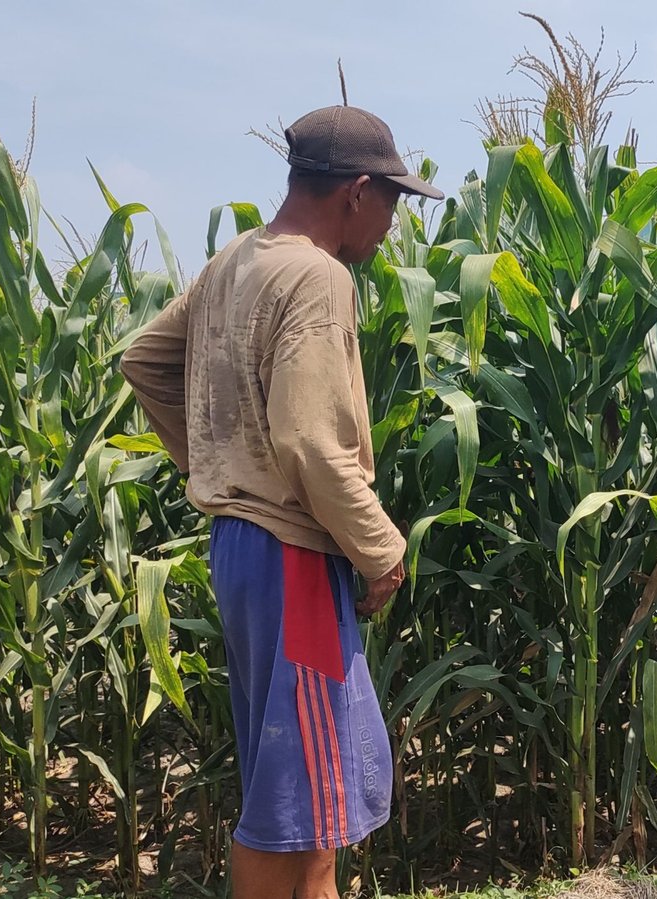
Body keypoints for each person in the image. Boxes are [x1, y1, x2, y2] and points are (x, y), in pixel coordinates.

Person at [121, 104, 442, 899]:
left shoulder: (236, 258)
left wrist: (217, 461)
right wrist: (381, 548)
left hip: (245, 547)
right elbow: (307, 440)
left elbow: (145, 360)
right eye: (392, 203)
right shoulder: (318, 275)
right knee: (289, 800)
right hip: (294, 552)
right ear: (357, 193)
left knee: (311, 783)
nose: (391, 225)